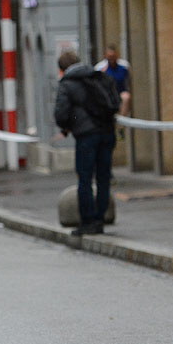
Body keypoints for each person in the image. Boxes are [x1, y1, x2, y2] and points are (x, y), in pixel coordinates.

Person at [55, 50, 119, 236]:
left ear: (62, 68)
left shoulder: (67, 83)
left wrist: (70, 125)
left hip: (86, 136)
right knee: (103, 177)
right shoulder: (98, 76)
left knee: (85, 178)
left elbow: (62, 113)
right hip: (107, 132)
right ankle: (100, 218)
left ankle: (88, 220)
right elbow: (114, 102)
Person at [95, 44, 131, 116]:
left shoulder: (124, 66)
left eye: (113, 56)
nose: (111, 59)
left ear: (117, 55)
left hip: (120, 92)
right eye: (109, 57)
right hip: (106, 93)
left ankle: (122, 118)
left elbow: (128, 80)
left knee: (126, 96)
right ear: (105, 56)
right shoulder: (100, 68)